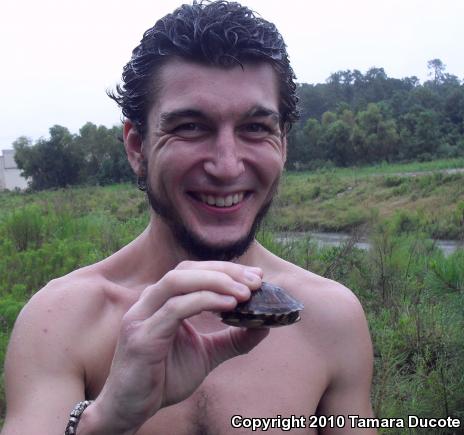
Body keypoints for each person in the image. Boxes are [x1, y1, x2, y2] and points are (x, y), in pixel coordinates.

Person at [2, 2, 376, 434]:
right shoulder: (61, 319)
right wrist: (106, 420)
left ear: (283, 144)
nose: (227, 166)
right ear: (137, 146)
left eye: (255, 128)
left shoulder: (331, 316)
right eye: (191, 127)